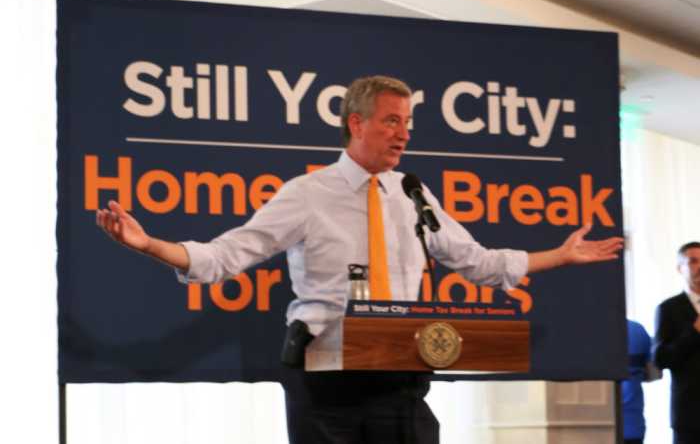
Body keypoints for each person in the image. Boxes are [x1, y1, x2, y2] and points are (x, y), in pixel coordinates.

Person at [96, 75, 624, 444]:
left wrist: (560, 256)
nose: (405, 133)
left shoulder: (412, 194)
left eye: (408, 121)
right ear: (357, 123)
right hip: (327, 382)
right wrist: (149, 245)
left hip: (401, 378)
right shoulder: (307, 194)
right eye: (392, 120)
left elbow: (478, 262)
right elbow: (224, 256)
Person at [653, 241, 700, 444]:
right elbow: (660, 359)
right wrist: (694, 331)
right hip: (690, 417)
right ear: (680, 268)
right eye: (693, 261)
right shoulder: (669, 308)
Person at [622, 319, 659, 444]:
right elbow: (655, 374)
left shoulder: (588, 332)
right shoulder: (638, 329)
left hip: (593, 424)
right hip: (633, 425)